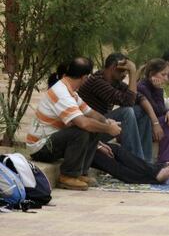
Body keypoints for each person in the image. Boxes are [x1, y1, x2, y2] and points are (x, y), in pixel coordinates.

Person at [48, 66, 169, 185]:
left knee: (116, 151)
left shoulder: (73, 94)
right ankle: (154, 176)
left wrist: (105, 125)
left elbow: (91, 114)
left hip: (76, 142)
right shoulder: (72, 90)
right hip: (62, 145)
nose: (124, 74)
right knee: (110, 161)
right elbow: (83, 124)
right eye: (122, 70)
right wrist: (104, 133)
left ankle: (156, 171)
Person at [27, 58, 122, 191]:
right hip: (40, 148)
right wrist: (108, 129)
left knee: (94, 126)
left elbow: (90, 112)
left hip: (52, 141)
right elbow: (83, 123)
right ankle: (67, 176)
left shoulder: (70, 91)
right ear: (84, 77)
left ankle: (80, 173)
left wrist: (106, 122)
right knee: (81, 130)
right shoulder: (61, 93)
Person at [78, 53, 153, 162]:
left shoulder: (115, 81)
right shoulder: (96, 81)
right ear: (113, 67)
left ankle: (146, 162)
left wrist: (155, 121)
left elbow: (139, 97)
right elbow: (128, 102)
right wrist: (133, 73)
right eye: (122, 71)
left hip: (104, 124)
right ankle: (136, 164)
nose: (124, 75)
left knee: (141, 111)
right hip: (90, 130)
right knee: (127, 112)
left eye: (126, 72)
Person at [137, 59, 169, 164]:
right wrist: (158, 89)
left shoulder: (154, 87)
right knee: (168, 122)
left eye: (167, 75)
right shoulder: (142, 87)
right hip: (144, 126)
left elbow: (161, 108)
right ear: (152, 73)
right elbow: (158, 110)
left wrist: (168, 112)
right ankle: (165, 161)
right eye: (163, 74)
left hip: (152, 122)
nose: (166, 78)